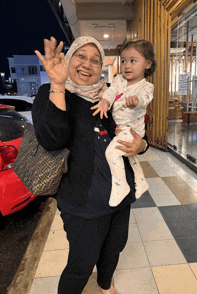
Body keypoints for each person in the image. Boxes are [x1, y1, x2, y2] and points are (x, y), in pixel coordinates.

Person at [32, 36, 149, 294]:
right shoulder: (52, 93)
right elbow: (52, 140)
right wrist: (58, 85)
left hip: (120, 196)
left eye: (95, 60)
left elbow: (135, 130)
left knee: (114, 247)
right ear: (69, 57)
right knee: (81, 264)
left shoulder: (109, 96)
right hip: (83, 203)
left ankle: (105, 286)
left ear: (101, 67)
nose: (88, 64)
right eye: (80, 56)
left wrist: (142, 145)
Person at [91, 40, 156, 207]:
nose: (127, 65)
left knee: (112, 153)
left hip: (133, 130)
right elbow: (111, 91)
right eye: (124, 61)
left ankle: (122, 186)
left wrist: (136, 100)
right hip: (120, 129)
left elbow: (145, 99)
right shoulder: (119, 79)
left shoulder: (146, 86)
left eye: (133, 61)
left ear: (147, 64)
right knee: (129, 155)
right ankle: (140, 182)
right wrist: (105, 100)